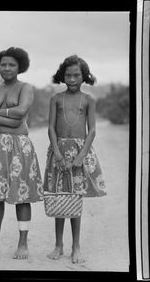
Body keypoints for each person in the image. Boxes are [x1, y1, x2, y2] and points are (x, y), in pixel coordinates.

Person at [0, 47, 43, 260]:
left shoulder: (26, 88)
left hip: (18, 147)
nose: (6, 68)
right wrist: (7, 119)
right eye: (3, 64)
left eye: (11, 64)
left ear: (19, 66)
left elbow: (21, 112)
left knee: (21, 195)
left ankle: (22, 244)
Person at [43, 55, 107, 264]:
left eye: (76, 75)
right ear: (62, 76)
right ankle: (58, 245)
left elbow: (92, 130)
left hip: (79, 153)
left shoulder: (89, 100)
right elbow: (51, 128)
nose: (72, 79)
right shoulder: (55, 99)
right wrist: (58, 154)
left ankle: (76, 246)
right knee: (59, 196)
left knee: (74, 199)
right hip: (58, 152)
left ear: (84, 76)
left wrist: (81, 156)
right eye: (68, 75)